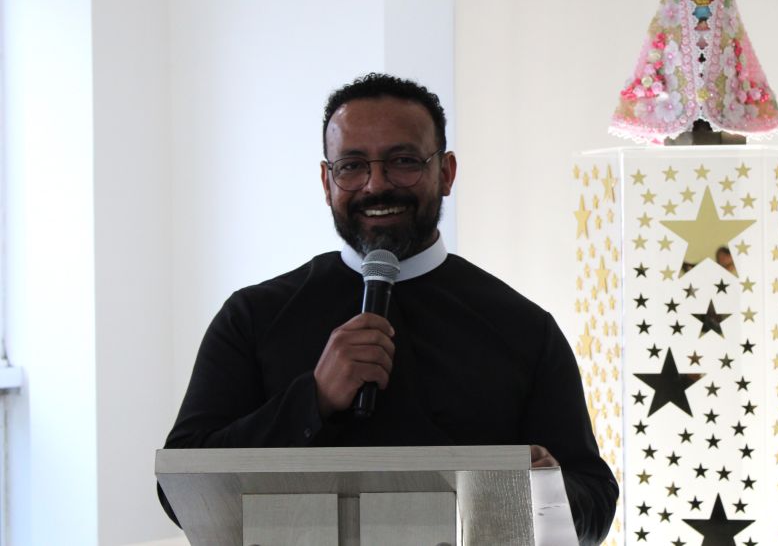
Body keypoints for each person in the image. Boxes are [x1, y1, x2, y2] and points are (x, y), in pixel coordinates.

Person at [158, 73, 618, 543]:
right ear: (326, 180)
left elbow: (595, 505)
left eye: (403, 162)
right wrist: (311, 400)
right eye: (352, 166)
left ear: (447, 173)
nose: (376, 185)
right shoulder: (253, 316)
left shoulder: (523, 328)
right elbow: (179, 487)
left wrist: (548, 491)